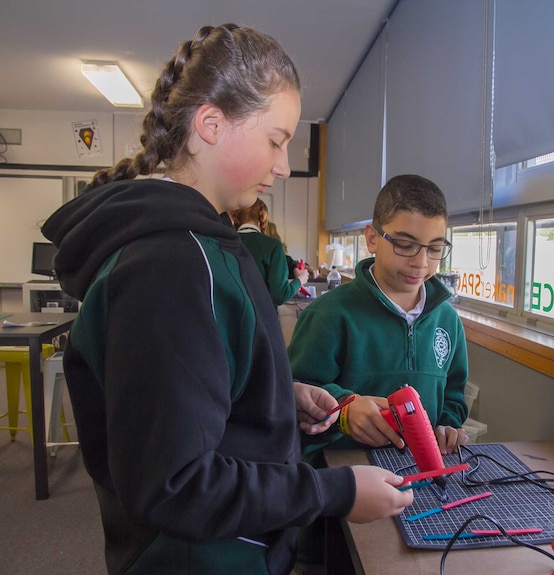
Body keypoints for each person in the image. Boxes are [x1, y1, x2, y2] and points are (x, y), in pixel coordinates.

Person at [41, 24, 412, 575]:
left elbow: (184, 387)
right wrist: (333, 492)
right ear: (210, 125)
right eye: (276, 140)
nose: (284, 166)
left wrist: (276, 395)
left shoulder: (206, 242)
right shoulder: (168, 266)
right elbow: (176, 483)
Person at [287, 174, 470, 570]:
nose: (421, 262)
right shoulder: (329, 315)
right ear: (372, 238)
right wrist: (344, 411)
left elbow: (453, 394)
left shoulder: (447, 321)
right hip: (340, 503)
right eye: (405, 245)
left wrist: (449, 426)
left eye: (436, 249)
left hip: (419, 495)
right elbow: (290, 399)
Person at [231, 199, 309, 305]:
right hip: (262, 316)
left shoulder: (222, 242)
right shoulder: (272, 245)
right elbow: (280, 296)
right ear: (262, 217)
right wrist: (300, 280)